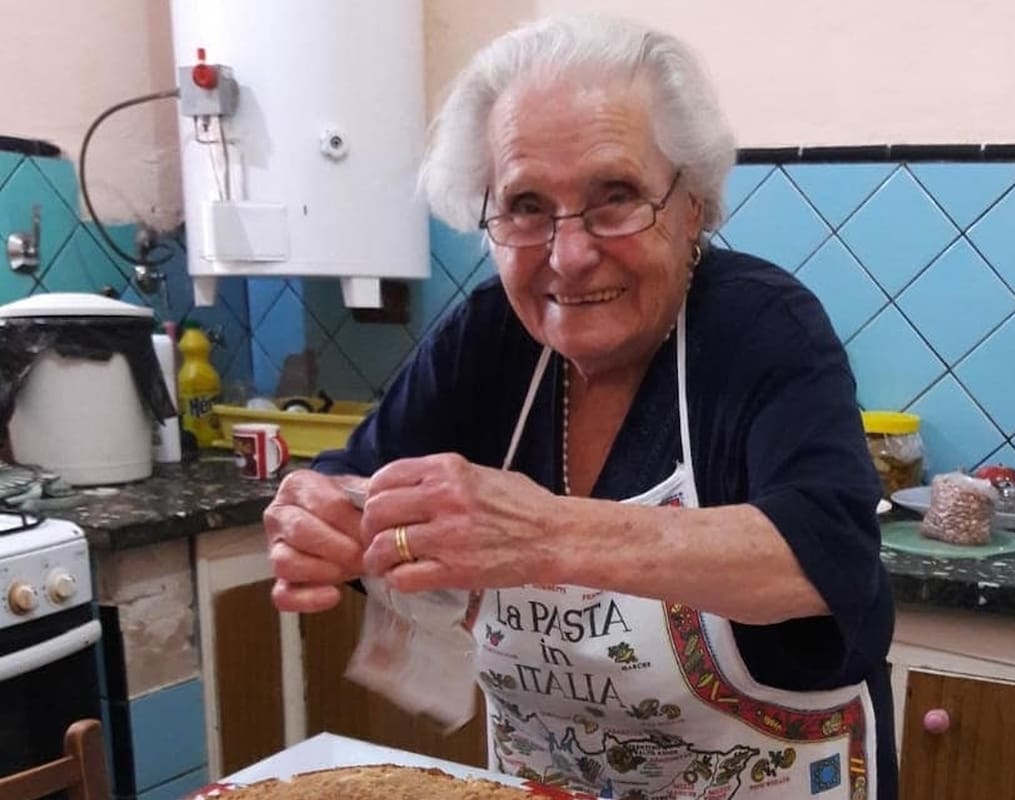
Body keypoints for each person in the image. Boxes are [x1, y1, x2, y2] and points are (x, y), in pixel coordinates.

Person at [264, 14, 897, 800]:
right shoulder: (488, 338)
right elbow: (357, 482)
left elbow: (826, 557)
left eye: (616, 197)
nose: (568, 254)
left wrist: (546, 533)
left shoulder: (763, 329)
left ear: (691, 206)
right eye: (526, 205)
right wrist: (325, 520)